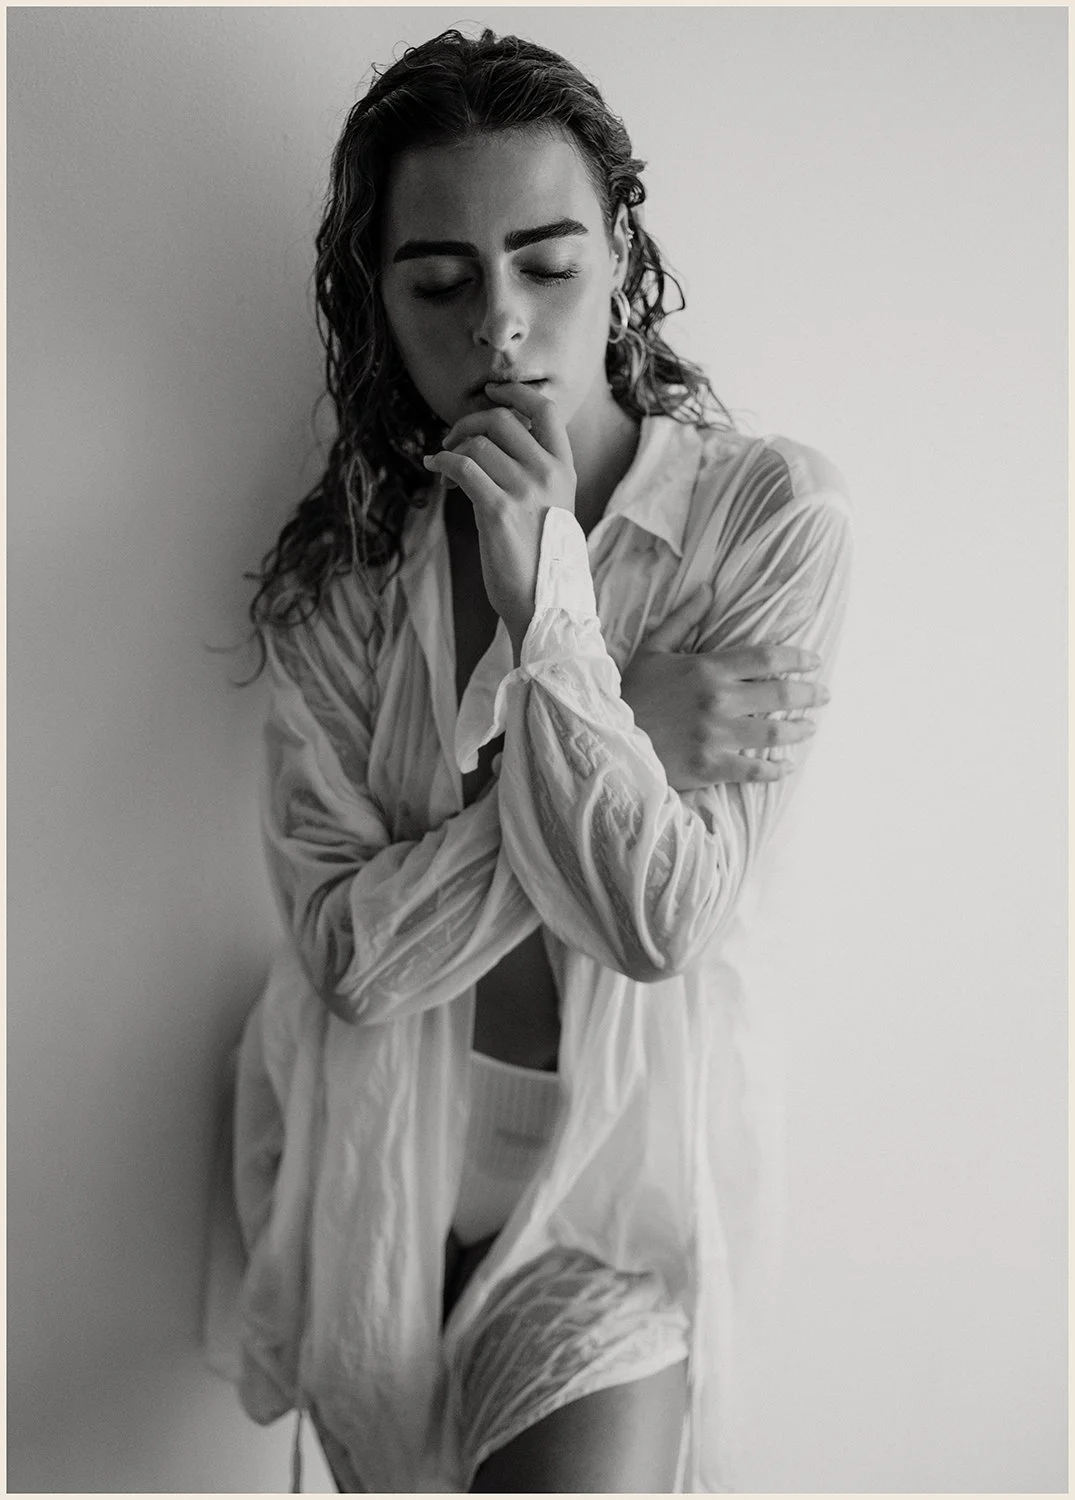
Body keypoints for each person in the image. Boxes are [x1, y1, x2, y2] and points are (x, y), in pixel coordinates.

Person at [230, 26, 851, 1494]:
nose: (498, 324)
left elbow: (658, 920)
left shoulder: (764, 519)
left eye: (547, 264)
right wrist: (617, 709)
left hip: (613, 1211)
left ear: (622, 254)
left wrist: (548, 604)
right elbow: (348, 960)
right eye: (438, 282)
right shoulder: (343, 586)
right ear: (374, 300)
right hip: (370, 1169)